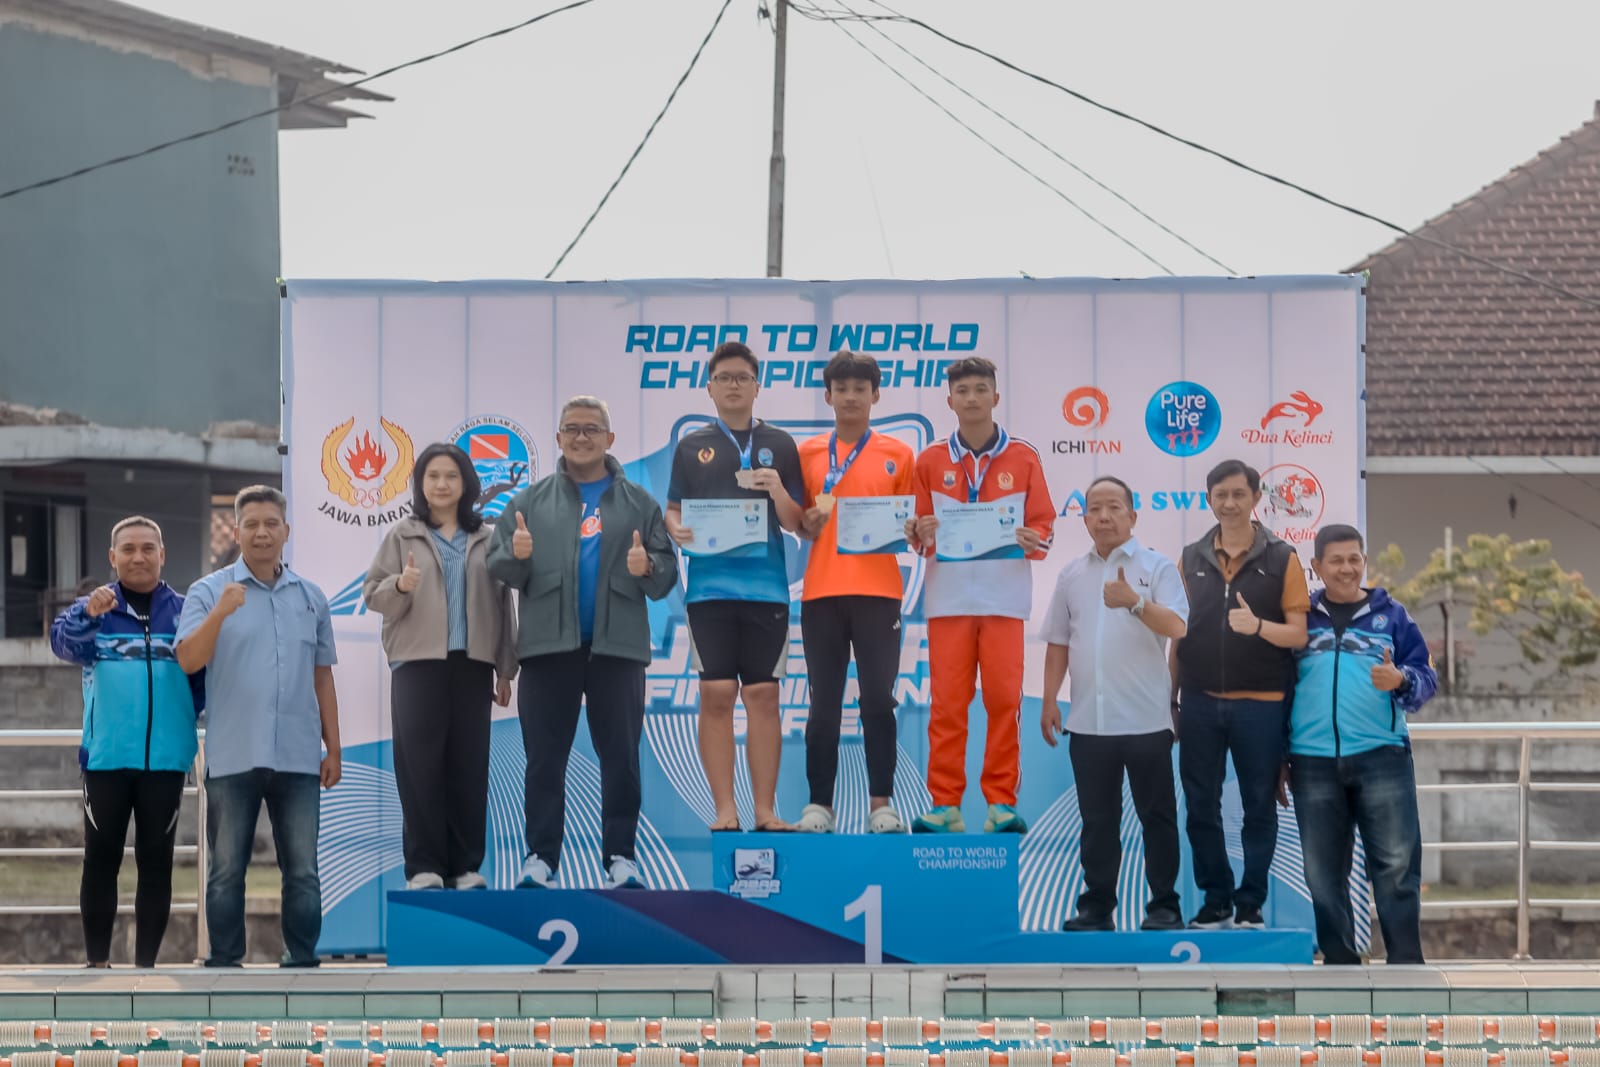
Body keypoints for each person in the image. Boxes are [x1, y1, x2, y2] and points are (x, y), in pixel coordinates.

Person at [488, 396, 678, 888]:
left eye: (592, 429)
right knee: (544, 760)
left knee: (622, 759)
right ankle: (541, 859)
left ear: (610, 439)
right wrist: (516, 554)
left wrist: (647, 566)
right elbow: (498, 568)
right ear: (558, 439)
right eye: (571, 428)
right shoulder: (528, 503)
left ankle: (621, 858)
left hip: (618, 650)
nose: (581, 437)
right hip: (548, 649)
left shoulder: (639, 503)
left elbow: (666, 576)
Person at [176, 485, 340, 967]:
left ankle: (302, 957)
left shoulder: (311, 597)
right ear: (236, 532)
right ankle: (225, 959)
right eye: (252, 524)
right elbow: (188, 660)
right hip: (234, 752)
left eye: (271, 524)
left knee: (303, 870)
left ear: (286, 530)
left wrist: (333, 747)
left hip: (298, 754)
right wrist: (221, 613)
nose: (262, 533)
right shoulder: (208, 592)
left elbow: (322, 677)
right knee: (227, 869)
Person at [904, 355, 1055, 833]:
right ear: (949, 400)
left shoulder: (1024, 457)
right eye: (963, 390)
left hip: (1004, 602)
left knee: (1004, 702)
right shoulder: (930, 460)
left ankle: (1001, 804)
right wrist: (919, 532)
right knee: (947, 706)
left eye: (980, 389)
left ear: (996, 396)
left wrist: (1033, 539)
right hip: (947, 602)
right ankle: (945, 804)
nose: (971, 398)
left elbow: (1044, 523)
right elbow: (914, 531)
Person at [49, 516, 204, 968]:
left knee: (156, 865)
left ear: (162, 555)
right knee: (100, 861)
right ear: (112, 557)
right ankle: (97, 964)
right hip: (106, 761)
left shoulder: (186, 611)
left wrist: (179, 720)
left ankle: (146, 969)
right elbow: (62, 644)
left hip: (166, 763)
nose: (139, 557)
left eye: (148, 548)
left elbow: (202, 681)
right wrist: (86, 614)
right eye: (129, 549)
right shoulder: (95, 610)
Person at [363, 443, 518, 891]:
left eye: (451, 476)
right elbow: (373, 594)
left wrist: (505, 669)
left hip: (473, 665)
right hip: (416, 664)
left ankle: (466, 866)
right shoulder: (403, 535)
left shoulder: (488, 537)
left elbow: (503, 606)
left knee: (469, 765)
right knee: (420, 767)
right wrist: (401, 584)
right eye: (433, 476)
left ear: (467, 484)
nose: (442, 484)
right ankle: (424, 866)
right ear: (420, 484)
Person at [664, 342, 804, 832]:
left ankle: (764, 811)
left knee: (763, 695)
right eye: (724, 377)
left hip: (767, 590)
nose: (733, 385)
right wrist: (676, 528)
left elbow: (796, 522)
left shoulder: (780, 444)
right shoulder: (692, 445)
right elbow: (674, 508)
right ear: (709, 387)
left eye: (743, 377)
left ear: (757, 385)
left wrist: (777, 489)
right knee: (717, 693)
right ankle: (725, 809)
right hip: (709, 591)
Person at [1041, 476, 1189, 931]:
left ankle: (1164, 905)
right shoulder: (1071, 574)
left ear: (1132, 516)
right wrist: (1049, 700)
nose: (1103, 516)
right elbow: (1058, 642)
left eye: (1114, 508)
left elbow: (1178, 626)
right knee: (1097, 821)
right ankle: (1097, 906)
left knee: (1157, 818)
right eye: (1094, 509)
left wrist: (1135, 603)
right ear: (1084, 518)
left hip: (1146, 720)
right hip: (1089, 722)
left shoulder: (1157, 567)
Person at [1285, 524, 1436, 964]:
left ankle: (1406, 963)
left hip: (1382, 758)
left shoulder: (1393, 616)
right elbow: (1280, 689)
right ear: (1317, 566)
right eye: (1336, 560)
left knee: (1396, 867)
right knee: (1322, 873)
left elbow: (1427, 676)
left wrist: (1400, 679)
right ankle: (1340, 964)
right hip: (1311, 761)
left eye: (1354, 559)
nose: (1347, 568)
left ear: (1364, 562)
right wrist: (1279, 757)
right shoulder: (1300, 619)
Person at [1172, 459, 1309, 929]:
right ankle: (1216, 901)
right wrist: (1172, 700)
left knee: (1258, 806)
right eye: (1220, 495)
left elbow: (1298, 634)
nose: (1229, 503)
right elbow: (1178, 636)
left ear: (1255, 497)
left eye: (1238, 494)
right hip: (1200, 702)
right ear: (1209, 500)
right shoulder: (1190, 558)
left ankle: (1250, 904)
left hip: (1262, 706)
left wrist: (1258, 627)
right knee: (1199, 807)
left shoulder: (1283, 557)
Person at [794, 351, 916, 834]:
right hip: (821, 593)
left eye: (860, 388)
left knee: (878, 701)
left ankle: (880, 805)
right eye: (841, 388)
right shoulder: (806, 454)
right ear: (827, 396)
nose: (850, 396)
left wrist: (913, 529)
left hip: (879, 593)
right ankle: (819, 806)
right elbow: (797, 522)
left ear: (875, 395)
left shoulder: (899, 454)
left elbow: (911, 524)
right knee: (823, 703)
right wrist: (805, 523)